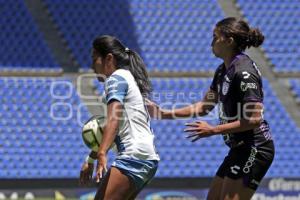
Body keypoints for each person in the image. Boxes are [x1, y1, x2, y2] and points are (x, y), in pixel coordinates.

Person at [147, 17, 274, 200]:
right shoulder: (223, 70)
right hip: (239, 148)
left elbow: (254, 119)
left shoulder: (244, 72)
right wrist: (164, 113)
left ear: (229, 41)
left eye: (215, 37)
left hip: (255, 147)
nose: (211, 42)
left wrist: (214, 130)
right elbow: (204, 107)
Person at [79, 35, 159, 200]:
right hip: (145, 157)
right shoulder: (126, 78)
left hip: (133, 156)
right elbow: (113, 129)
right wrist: (91, 157)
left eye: (95, 59)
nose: (92, 65)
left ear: (108, 58)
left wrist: (102, 154)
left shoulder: (115, 79)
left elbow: (113, 121)